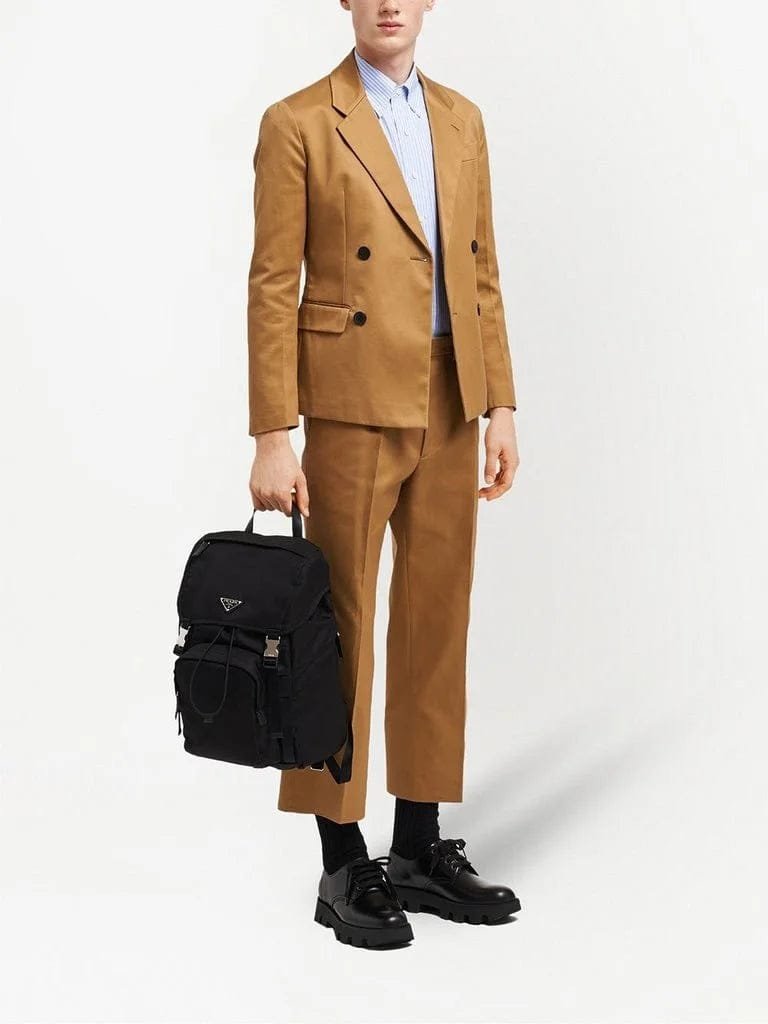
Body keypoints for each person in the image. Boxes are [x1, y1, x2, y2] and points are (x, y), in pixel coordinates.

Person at [246, 0, 521, 948]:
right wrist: (272, 433)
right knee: (339, 631)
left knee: (436, 622)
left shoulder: (462, 118)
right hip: (351, 399)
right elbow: (272, 282)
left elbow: (481, 271)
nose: (390, 4)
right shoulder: (297, 121)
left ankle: (417, 845)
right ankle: (340, 859)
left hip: (452, 395)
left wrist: (501, 403)